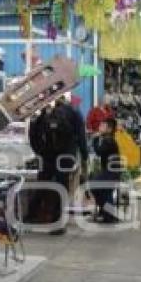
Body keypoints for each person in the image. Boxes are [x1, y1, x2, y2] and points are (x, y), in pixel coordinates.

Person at [28, 96, 89, 234]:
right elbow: (81, 135)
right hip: (66, 155)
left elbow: (33, 133)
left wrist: (39, 151)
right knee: (62, 187)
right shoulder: (74, 111)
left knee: (42, 184)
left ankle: (31, 215)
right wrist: (84, 155)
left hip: (47, 154)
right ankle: (58, 223)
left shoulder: (44, 112)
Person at [90, 118, 122, 223]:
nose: (99, 128)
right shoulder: (108, 139)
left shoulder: (109, 140)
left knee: (98, 187)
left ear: (109, 129)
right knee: (99, 188)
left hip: (112, 173)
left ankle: (109, 215)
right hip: (109, 171)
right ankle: (107, 213)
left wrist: (94, 139)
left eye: (102, 126)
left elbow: (99, 151)